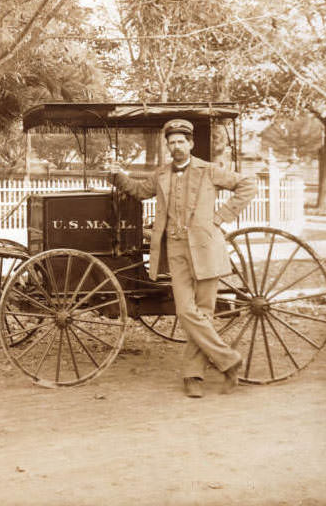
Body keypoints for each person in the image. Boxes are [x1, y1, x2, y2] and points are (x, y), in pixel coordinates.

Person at [109, 118, 257, 398]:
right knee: (185, 311)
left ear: (190, 144)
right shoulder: (162, 174)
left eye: (181, 141)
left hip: (206, 248)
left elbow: (247, 184)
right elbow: (140, 191)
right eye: (172, 142)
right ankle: (228, 359)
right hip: (175, 250)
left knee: (204, 312)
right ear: (168, 146)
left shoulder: (210, 170)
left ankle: (193, 375)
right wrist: (118, 174)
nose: (176, 146)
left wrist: (221, 217)